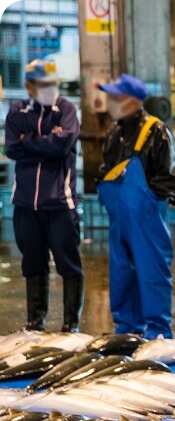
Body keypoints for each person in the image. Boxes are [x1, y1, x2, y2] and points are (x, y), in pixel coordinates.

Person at [97, 74, 175, 339]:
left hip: (146, 218)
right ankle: (127, 330)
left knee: (151, 272)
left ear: (131, 101)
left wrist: (147, 200)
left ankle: (158, 333)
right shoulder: (113, 133)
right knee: (121, 272)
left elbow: (170, 177)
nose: (109, 102)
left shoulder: (156, 131)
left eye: (114, 97)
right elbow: (104, 171)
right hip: (119, 217)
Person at [4, 60, 82, 332]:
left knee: (68, 263)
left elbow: (62, 145)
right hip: (26, 203)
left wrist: (29, 140)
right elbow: (12, 148)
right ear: (29, 86)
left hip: (60, 202)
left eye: (53, 84)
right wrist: (44, 140)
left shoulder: (67, 110)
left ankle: (70, 324)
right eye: (43, 85)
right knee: (32, 262)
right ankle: (35, 321)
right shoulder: (17, 111)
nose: (50, 89)